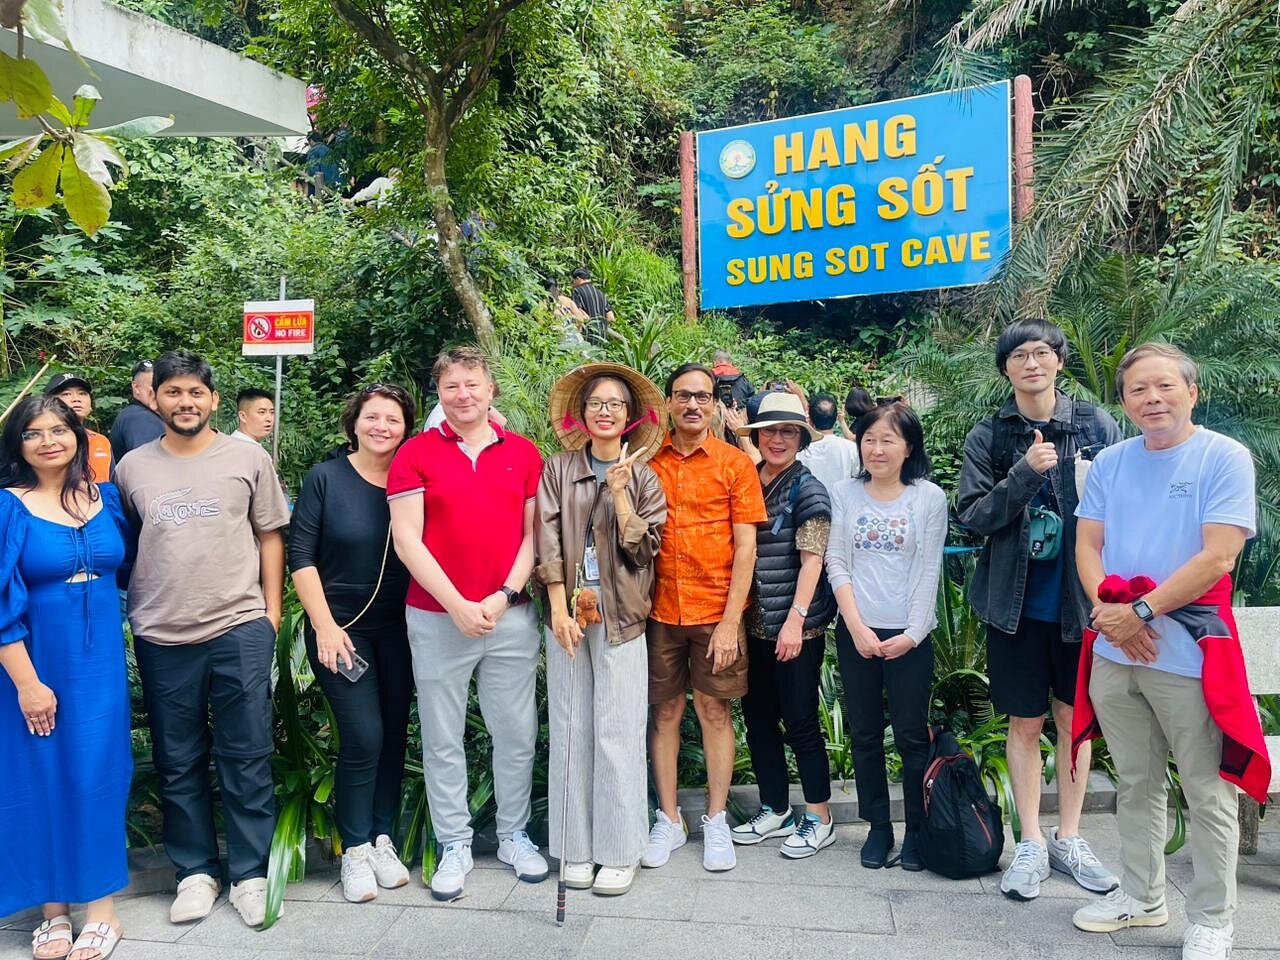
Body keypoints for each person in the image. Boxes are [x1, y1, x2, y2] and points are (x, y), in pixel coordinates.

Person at [1070, 343, 1262, 960]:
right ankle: (1142, 895)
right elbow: (1088, 544)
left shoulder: (1222, 457)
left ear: (1191, 391)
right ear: (1124, 402)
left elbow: (1218, 556)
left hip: (1188, 653)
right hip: (1115, 650)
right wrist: (1113, 616)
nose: (1152, 399)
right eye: (1138, 390)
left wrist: (1142, 613)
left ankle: (1212, 918)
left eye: (1164, 386)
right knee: (1135, 781)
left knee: (1207, 789)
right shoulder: (1111, 462)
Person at [113, 350, 291, 929]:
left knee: (247, 753)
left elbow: (270, 534)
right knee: (178, 756)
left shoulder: (248, 457)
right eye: (173, 392)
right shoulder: (131, 468)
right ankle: (195, 872)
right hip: (161, 632)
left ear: (213, 400)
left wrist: (270, 613)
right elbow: (129, 544)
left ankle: (249, 873)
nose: (184, 402)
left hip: (238, 625)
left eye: (195, 392)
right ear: (154, 398)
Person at [956, 319, 1122, 901]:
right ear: (1006, 368)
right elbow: (973, 516)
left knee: (1074, 722)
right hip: (1015, 607)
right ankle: (1029, 839)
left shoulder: (1096, 425)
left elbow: (1124, 508)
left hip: (1083, 605)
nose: (1032, 363)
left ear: (1059, 361)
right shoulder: (989, 436)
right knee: (1025, 723)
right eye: (1020, 355)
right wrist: (1025, 473)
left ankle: (1069, 836)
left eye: (1042, 352)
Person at [387, 346, 549, 901]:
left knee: (516, 732)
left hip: (511, 616)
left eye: (472, 384)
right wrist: (456, 602)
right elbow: (407, 540)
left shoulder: (523, 453)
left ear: (490, 390)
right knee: (442, 736)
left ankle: (512, 834)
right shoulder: (415, 454)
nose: (463, 394)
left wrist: (504, 595)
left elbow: (533, 536)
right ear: (439, 393)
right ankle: (454, 841)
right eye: (452, 385)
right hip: (436, 617)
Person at [0, 397, 133, 960]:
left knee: (98, 775)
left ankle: (102, 909)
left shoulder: (105, 498)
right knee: (38, 779)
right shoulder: (8, 507)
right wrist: (28, 684)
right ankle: (52, 910)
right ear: (18, 444)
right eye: (33, 433)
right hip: (33, 662)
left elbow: (134, 569)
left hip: (100, 665)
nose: (49, 440)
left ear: (79, 435)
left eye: (59, 429)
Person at [535, 362, 667, 896]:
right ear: (582, 413)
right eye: (596, 403)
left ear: (630, 415)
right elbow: (547, 539)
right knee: (571, 727)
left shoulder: (645, 477)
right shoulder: (558, 469)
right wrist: (557, 609)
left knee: (618, 729)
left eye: (615, 404)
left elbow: (645, 549)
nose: (605, 411)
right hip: (568, 614)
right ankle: (575, 847)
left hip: (622, 617)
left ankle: (619, 850)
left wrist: (620, 493)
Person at [289, 384, 418, 904]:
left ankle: (383, 838)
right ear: (355, 422)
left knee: (393, 735)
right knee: (363, 736)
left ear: (407, 428)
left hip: (402, 629)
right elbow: (301, 555)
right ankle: (356, 849)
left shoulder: (412, 481)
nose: (382, 427)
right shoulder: (326, 478)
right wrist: (323, 625)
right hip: (341, 629)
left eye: (393, 419)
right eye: (372, 417)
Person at [643, 363, 768, 873]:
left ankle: (716, 818)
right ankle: (669, 818)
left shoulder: (735, 464)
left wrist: (731, 620)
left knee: (714, 711)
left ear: (715, 404)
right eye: (682, 395)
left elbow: (746, 548)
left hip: (716, 610)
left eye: (702, 396)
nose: (692, 404)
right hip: (659, 611)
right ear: (669, 403)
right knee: (664, 712)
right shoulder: (649, 460)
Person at [826, 400, 947, 871]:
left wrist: (913, 634)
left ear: (908, 447)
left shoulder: (928, 498)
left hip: (909, 636)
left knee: (913, 736)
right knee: (865, 734)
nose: (876, 449)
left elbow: (929, 568)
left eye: (887, 440)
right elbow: (837, 562)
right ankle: (878, 827)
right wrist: (856, 627)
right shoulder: (844, 493)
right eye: (869, 440)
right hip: (857, 631)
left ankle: (916, 830)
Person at [728, 392, 838, 858]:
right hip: (755, 624)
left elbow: (813, 562)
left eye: (788, 432)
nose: (778, 439)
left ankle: (819, 816)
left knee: (800, 723)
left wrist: (795, 621)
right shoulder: (750, 479)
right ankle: (775, 807)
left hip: (797, 629)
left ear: (800, 438)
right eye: (769, 431)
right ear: (757, 436)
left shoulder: (807, 489)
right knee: (758, 720)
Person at [44, 372, 113, 482]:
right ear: (48, 403)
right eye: (66, 394)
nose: (76, 399)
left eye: (82, 393)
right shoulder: (44, 441)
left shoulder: (101, 441)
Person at [797, 391, 860, 493]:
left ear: (810, 420)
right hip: (841, 501)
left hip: (809, 501)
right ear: (836, 418)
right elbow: (860, 479)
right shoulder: (851, 448)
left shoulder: (800, 451)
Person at [109, 360, 165, 463]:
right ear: (136, 388)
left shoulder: (138, 414)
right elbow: (149, 464)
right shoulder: (139, 418)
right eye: (153, 386)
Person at [569, 267, 615, 346]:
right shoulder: (601, 293)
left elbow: (577, 315)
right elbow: (611, 318)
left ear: (578, 278)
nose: (572, 284)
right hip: (602, 337)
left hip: (587, 336)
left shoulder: (577, 291)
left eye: (572, 281)